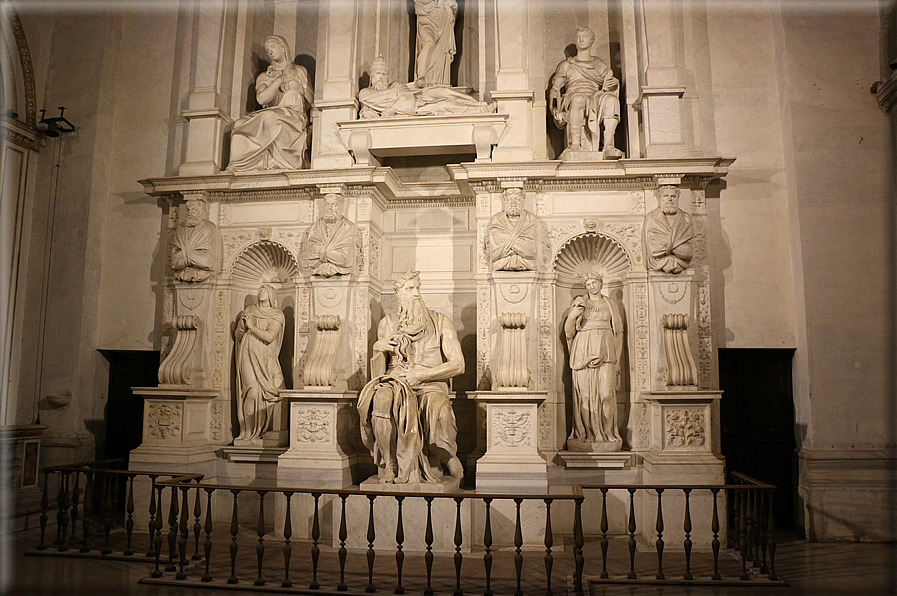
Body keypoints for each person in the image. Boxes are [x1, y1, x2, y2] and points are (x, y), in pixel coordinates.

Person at [357, 270, 465, 483]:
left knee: (439, 410)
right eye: (409, 289)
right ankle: (390, 464)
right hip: (396, 380)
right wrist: (378, 349)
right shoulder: (387, 324)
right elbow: (378, 371)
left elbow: (458, 365)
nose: (415, 293)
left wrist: (422, 375)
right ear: (399, 294)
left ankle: (447, 454)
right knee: (381, 400)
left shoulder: (441, 321)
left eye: (417, 288)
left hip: (431, 383)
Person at [227, 35, 314, 172]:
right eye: (267, 50)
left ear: (283, 48)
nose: (270, 52)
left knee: (270, 117)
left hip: (293, 115)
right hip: (275, 112)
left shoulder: (300, 71)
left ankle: (276, 162)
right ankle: (240, 166)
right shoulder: (264, 76)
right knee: (239, 124)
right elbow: (261, 100)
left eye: (273, 47)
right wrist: (279, 80)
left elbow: (311, 101)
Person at [564, 271, 623, 450]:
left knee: (606, 394)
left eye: (594, 282)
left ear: (601, 282)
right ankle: (588, 433)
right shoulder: (580, 302)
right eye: (588, 284)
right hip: (583, 351)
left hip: (606, 353)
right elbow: (568, 332)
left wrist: (618, 361)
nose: (592, 286)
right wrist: (573, 315)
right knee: (586, 397)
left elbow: (618, 332)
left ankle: (607, 433)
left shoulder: (610, 303)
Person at [549, 27, 623, 159]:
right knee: (579, 99)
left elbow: (607, 82)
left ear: (592, 40)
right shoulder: (566, 64)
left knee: (611, 100)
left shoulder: (599, 64)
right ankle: (575, 144)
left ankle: (608, 144)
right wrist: (554, 108)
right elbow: (555, 89)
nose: (581, 39)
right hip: (573, 95)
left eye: (585, 36)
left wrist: (615, 83)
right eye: (578, 37)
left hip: (595, 95)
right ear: (575, 41)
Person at [359, 55, 493, 119]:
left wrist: (392, 109)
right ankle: (480, 110)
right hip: (414, 109)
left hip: (417, 98)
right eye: (378, 74)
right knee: (445, 105)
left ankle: (476, 103)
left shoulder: (395, 85)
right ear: (371, 76)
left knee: (443, 91)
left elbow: (406, 94)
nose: (381, 77)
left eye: (383, 74)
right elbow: (366, 111)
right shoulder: (366, 93)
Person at [234, 285, 285, 441]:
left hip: (266, 358)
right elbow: (237, 335)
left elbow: (269, 336)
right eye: (260, 290)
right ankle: (247, 432)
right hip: (247, 355)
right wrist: (242, 327)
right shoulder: (249, 310)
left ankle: (264, 431)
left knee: (270, 391)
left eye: (265, 290)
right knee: (251, 390)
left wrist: (251, 326)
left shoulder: (277, 314)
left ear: (271, 295)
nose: (261, 292)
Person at [643, 185, 694, 273]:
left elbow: (688, 252)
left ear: (677, 198)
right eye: (666, 196)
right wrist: (677, 245)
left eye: (673, 196)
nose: (669, 199)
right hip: (656, 263)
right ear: (660, 198)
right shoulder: (651, 218)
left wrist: (665, 244)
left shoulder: (686, 219)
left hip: (682, 264)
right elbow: (654, 250)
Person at [303, 193, 356, 277]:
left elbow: (344, 259)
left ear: (341, 207)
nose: (329, 208)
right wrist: (331, 252)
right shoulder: (316, 226)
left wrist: (321, 251)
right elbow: (310, 257)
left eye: (334, 204)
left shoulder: (348, 227)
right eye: (327, 204)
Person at [487, 188, 538, 271]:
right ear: (505, 202)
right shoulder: (497, 219)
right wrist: (521, 245)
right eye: (509, 199)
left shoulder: (530, 219)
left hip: (528, 264)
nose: (513, 203)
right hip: (499, 264)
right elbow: (494, 253)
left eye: (517, 199)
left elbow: (531, 251)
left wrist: (505, 240)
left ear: (523, 202)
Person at [169, 197, 218, 282]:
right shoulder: (180, 228)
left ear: (202, 211)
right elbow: (174, 261)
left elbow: (206, 261)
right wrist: (194, 256)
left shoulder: (208, 228)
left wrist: (184, 255)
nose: (190, 213)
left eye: (194, 210)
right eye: (188, 210)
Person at [414, 0, 457, 86]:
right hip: (427, 19)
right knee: (427, 44)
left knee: (442, 51)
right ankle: (421, 75)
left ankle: (440, 81)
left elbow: (453, 5)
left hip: (443, 20)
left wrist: (452, 6)